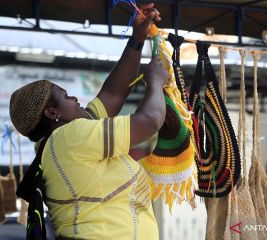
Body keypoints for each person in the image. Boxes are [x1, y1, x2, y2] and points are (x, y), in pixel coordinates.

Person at [9, 3, 168, 240]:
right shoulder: (70, 138)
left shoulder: (62, 142)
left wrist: (138, 38)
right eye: (66, 96)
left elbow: (113, 95)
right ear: (53, 113)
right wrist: (155, 82)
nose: (75, 99)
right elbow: (150, 120)